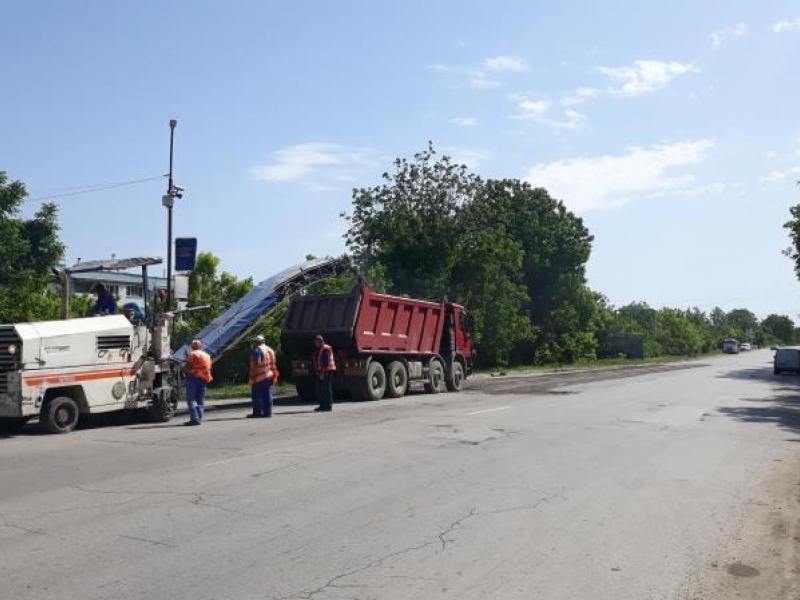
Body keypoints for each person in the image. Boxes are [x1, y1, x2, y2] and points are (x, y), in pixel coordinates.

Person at [183, 339, 212, 426]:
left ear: (192, 347)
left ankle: (194, 419)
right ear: (200, 346)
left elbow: (188, 366)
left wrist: (183, 370)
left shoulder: (192, 354)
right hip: (204, 379)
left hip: (193, 378)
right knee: (200, 399)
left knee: (191, 399)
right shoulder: (207, 355)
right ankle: (199, 417)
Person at [248, 335, 276, 418]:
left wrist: (253, 375)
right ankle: (268, 413)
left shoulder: (257, 350)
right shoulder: (269, 349)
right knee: (267, 395)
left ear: (258, 342)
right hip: (269, 374)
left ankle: (257, 413)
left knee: (256, 395)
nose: (254, 343)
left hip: (260, 376)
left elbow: (258, 362)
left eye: (255, 341)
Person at [313, 334, 336, 412]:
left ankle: (328, 406)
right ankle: (322, 405)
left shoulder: (325, 348)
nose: (315, 344)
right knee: (321, 389)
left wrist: (322, 372)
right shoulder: (321, 348)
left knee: (326, 389)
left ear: (320, 341)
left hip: (326, 371)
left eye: (316, 342)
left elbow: (325, 362)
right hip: (323, 371)